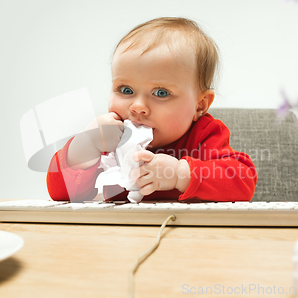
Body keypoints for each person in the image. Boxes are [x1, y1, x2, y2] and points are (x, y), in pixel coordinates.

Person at [47, 17, 257, 202]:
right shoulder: (108, 138)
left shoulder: (204, 134)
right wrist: (86, 144)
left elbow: (244, 181)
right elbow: (60, 194)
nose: (137, 106)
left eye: (161, 93)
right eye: (126, 89)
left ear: (199, 105)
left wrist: (179, 174)